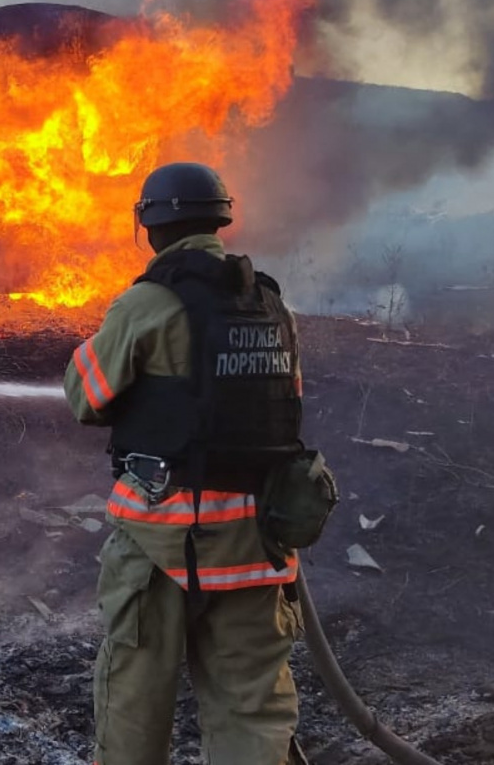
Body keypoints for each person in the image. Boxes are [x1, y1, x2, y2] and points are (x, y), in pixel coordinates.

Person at [64, 161, 306, 765]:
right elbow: (285, 407)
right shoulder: (270, 306)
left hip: (159, 544)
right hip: (256, 544)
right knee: (254, 710)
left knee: (133, 702)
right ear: (220, 220)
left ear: (150, 227)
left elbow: (85, 396)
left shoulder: (147, 303)